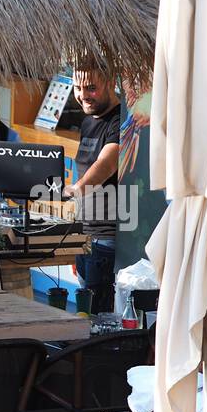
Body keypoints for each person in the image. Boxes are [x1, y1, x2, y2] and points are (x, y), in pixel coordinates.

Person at [67, 66, 123, 315]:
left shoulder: (120, 119)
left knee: (98, 318)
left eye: (91, 87)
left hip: (107, 237)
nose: (83, 95)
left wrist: (75, 190)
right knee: (84, 315)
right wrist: (73, 239)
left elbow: (107, 163)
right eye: (78, 88)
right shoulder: (88, 120)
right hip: (84, 235)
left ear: (110, 81)